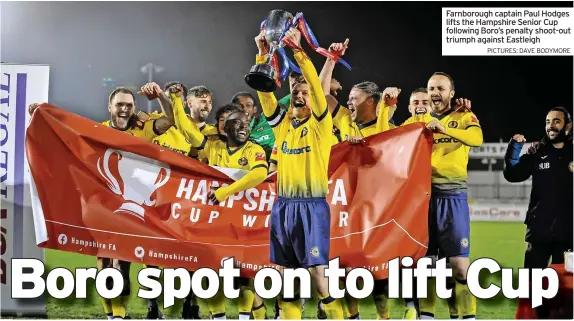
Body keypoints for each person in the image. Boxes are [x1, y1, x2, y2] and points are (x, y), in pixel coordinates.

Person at [254, 27, 345, 320]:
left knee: (318, 276)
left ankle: (335, 313)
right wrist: (263, 55)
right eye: (296, 92)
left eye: (306, 92)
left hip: (312, 206)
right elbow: (267, 99)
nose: (301, 95)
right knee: (287, 278)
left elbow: (320, 94)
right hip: (283, 206)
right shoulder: (282, 126)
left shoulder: (320, 126)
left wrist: (299, 53)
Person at [167, 86, 269, 320]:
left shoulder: (254, 149)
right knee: (210, 271)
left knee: (244, 275)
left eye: (234, 121)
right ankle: (218, 316)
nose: (228, 125)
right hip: (213, 220)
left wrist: (226, 192)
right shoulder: (212, 145)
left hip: (243, 221)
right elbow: (186, 130)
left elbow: (259, 174)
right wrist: (175, 99)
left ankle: (245, 316)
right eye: (223, 121)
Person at [419, 72, 483, 320]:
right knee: (427, 266)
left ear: (451, 93)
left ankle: (465, 317)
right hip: (423, 199)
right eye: (431, 88)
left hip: (453, 197)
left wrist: (444, 128)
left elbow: (477, 139)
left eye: (441, 88)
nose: (435, 92)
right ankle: (426, 316)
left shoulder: (464, 115)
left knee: (459, 266)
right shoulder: (419, 119)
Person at [503, 107, 573, 270]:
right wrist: (515, 148)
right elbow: (513, 175)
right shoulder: (537, 152)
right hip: (540, 231)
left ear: (568, 126)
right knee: (531, 286)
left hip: (569, 234)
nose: (551, 126)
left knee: (565, 288)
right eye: (548, 122)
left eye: (557, 121)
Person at [232, 91, 276, 160]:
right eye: (239, 106)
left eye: (248, 105)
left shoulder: (267, 119)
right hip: (250, 169)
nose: (244, 109)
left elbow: (290, 99)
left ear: (254, 109)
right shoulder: (228, 131)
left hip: (277, 166)